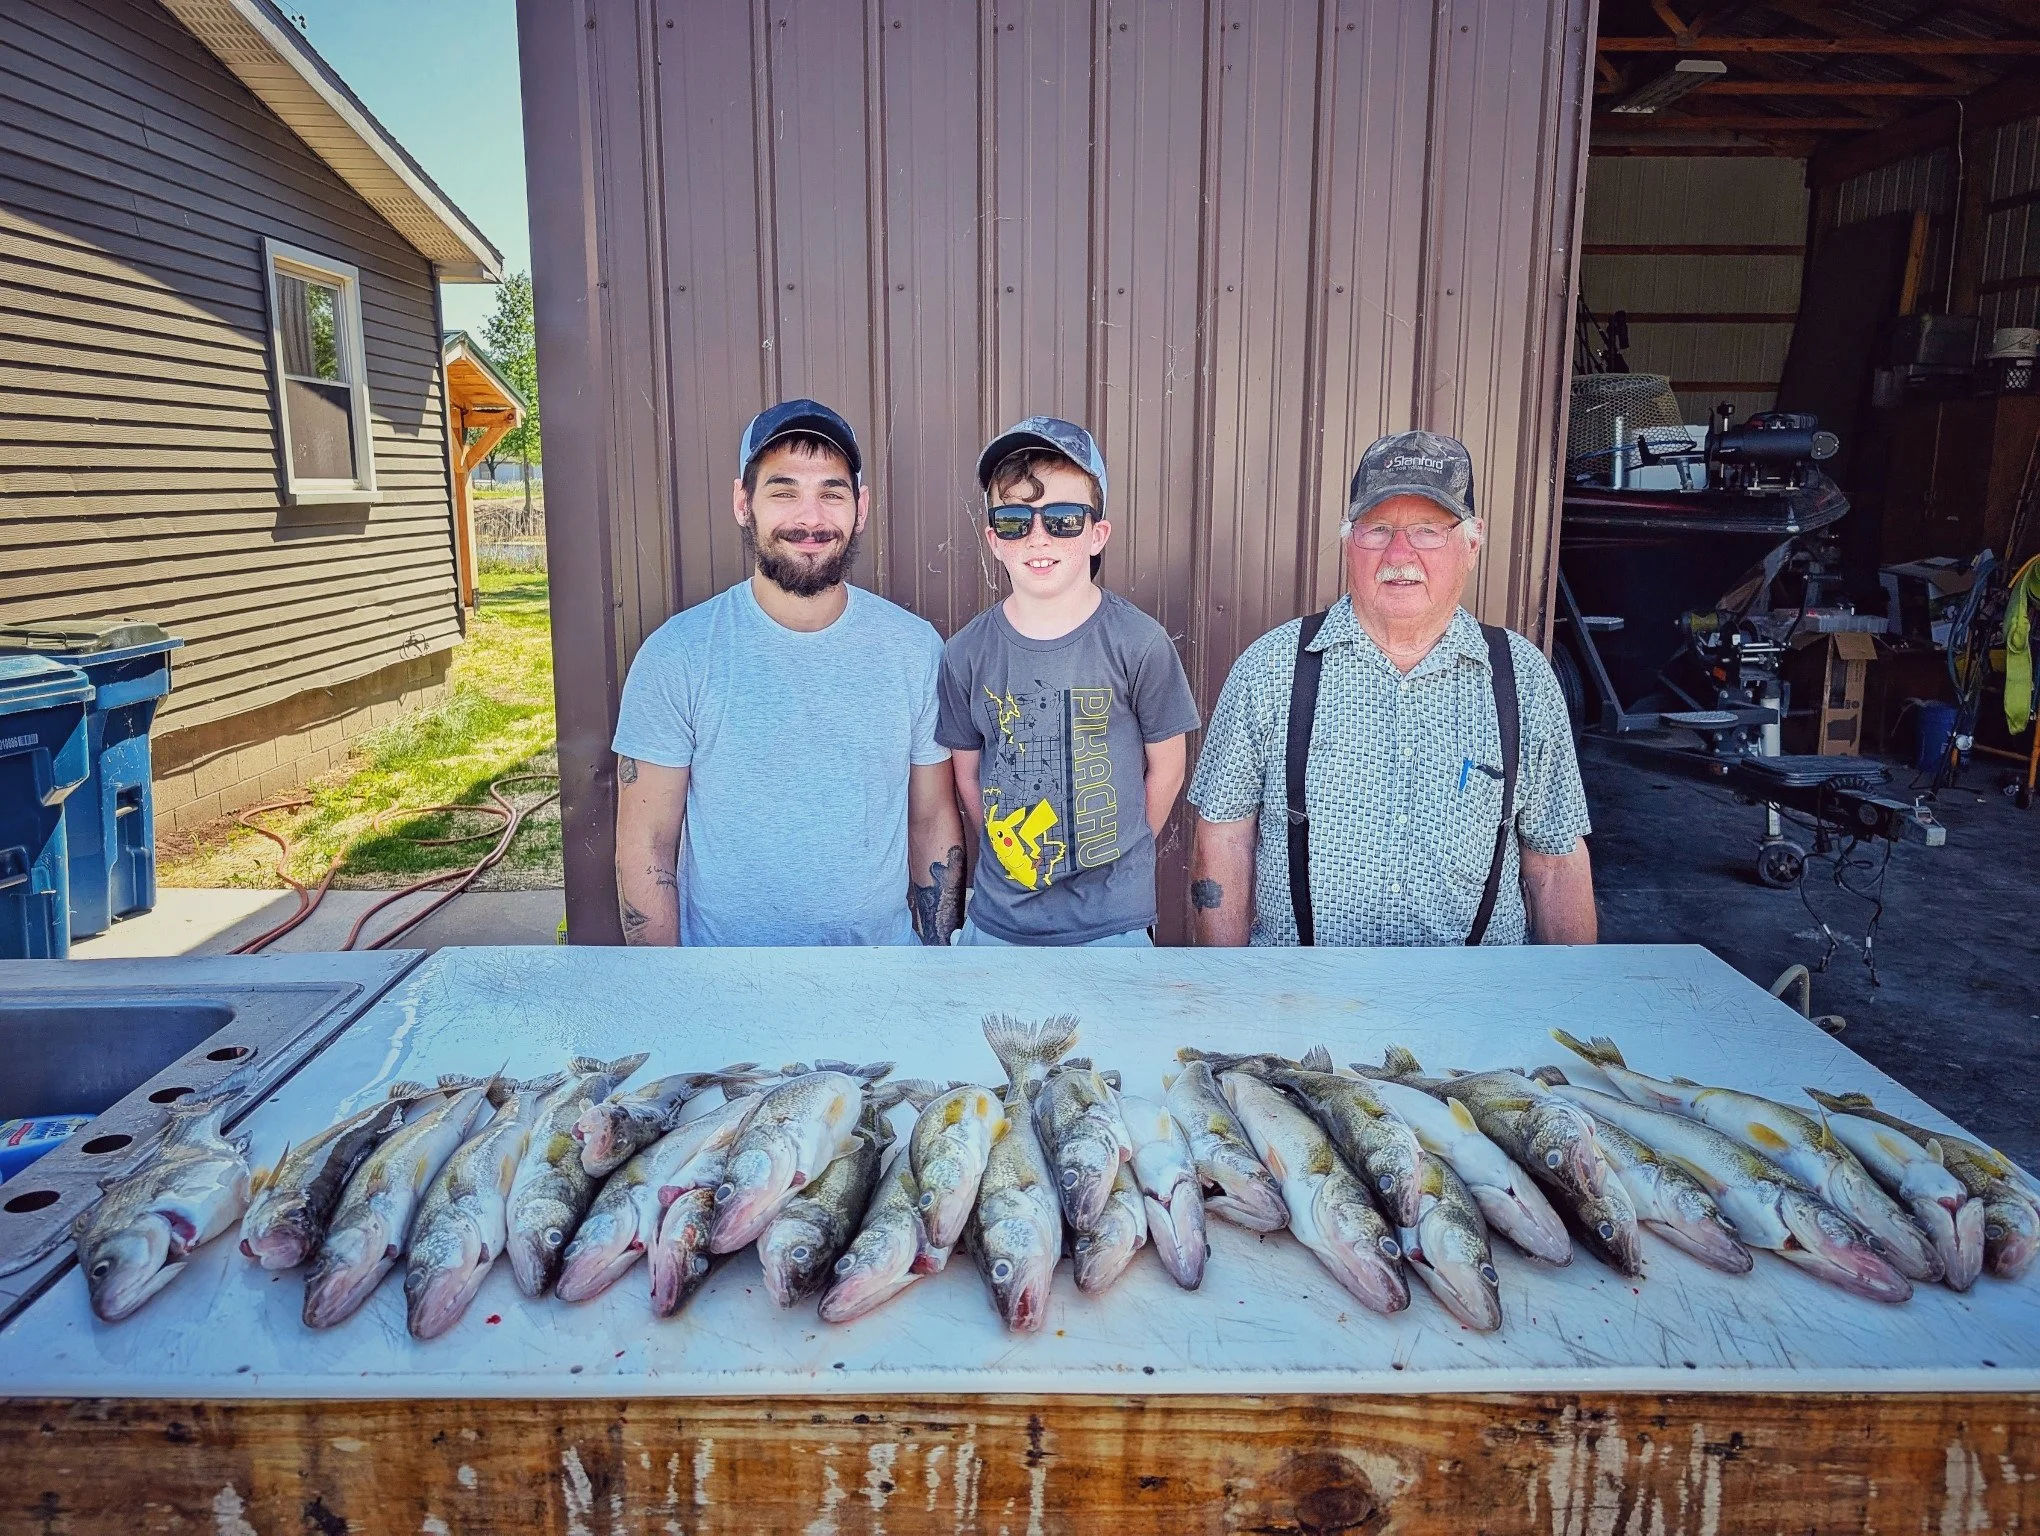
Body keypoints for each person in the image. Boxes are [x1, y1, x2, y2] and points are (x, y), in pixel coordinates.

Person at [1187, 429, 1596, 948]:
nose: (1399, 553)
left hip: (1474, 1004)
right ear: (1348, 542)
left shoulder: (1524, 679)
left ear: (1472, 543)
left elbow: (1557, 861)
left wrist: (1575, 1003)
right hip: (1304, 1001)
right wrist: (1228, 993)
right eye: (1377, 529)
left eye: (1428, 529)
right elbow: (1221, 837)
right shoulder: (1271, 668)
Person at [610, 399, 965, 946]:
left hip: (882, 983)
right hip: (728, 987)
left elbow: (932, 820)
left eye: (832, 492)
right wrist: (669, 998)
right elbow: (647, 844)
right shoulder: (678, 655)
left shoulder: (913, 648)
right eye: (783, 492)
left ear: (861, 506)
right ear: (742, 503)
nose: (811, 518)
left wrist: (935, 961)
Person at [936, 417, 1201, 946]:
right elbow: (968, 779)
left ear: (1097, 533)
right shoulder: (965, 653)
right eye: (1015, 520)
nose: (1039, 537)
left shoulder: (1139, 643)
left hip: (1112, 926)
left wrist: (1116, 855)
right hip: (998, 924)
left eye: (1062, 519)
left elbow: (1167, 769)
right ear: (994, 539)